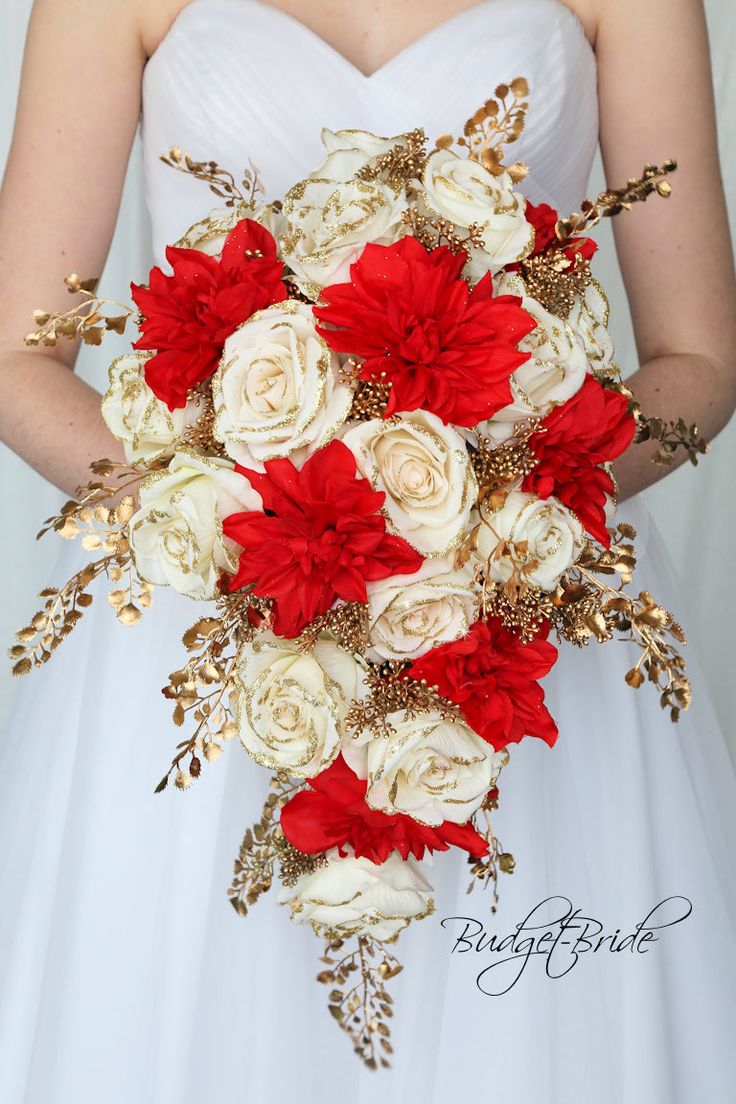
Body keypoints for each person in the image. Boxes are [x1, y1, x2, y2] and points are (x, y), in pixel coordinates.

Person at [0, 1, 734, 1101]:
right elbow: (18, 355)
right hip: (203, 623)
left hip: (518, 621)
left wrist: (496, 509)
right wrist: (239, 525)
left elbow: (699, 358)